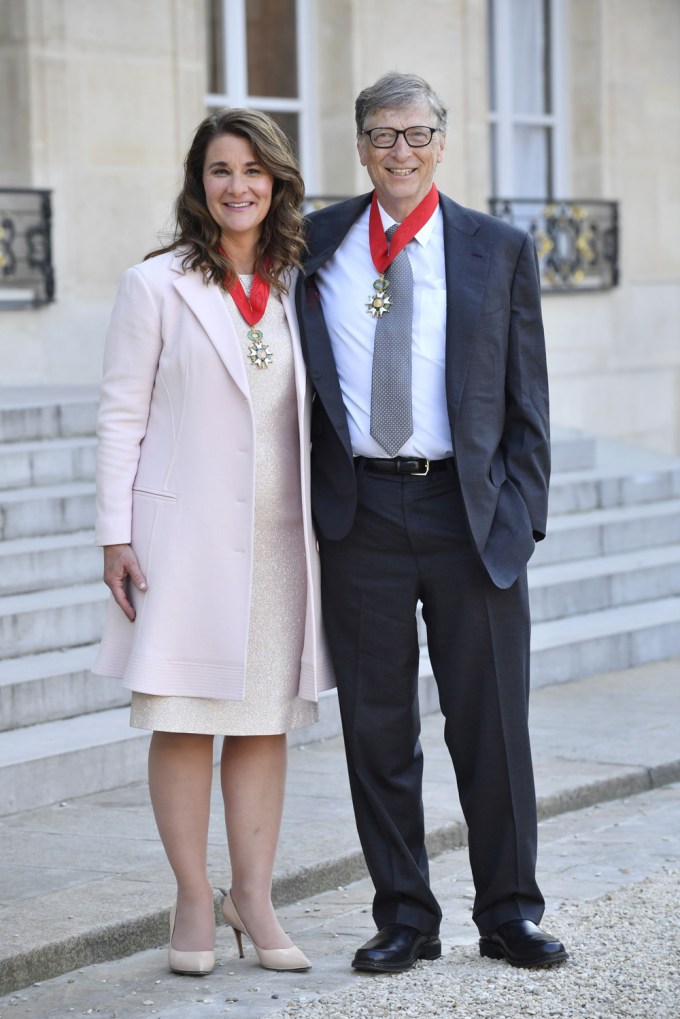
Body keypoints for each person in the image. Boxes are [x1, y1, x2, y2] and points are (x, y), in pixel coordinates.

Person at [296, 72, 567, 973]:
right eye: (382, 134)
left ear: (441, 143)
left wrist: (520, 515)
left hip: (468, 513)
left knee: (491, 724)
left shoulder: (497, 247)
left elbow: (528, 397)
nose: (399, 151)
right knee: (378, 728)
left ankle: (509, 911)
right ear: (360, 144)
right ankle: (405, 914)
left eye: (415, 134)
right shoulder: (316, 244)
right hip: (360, 511)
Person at [92, 108, 333, 977]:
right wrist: (113, 533)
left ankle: (254, 895)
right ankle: (195, 896)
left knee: (264, 723)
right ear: (201, 185)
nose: (239, 186)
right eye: (221, 170)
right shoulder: (154, 284)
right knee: (187, 720)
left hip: (279, 541)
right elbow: (121, 411)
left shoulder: (301, 280)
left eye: (254, 171)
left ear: (278, 183)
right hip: (182, 538)